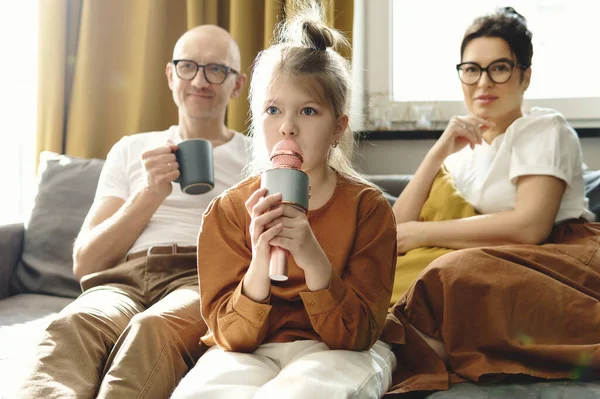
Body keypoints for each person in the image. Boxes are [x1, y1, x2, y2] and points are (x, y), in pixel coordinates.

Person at [170, 4, 398, 399]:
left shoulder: (368, 209)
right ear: (258, 121)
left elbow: (357, 334)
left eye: (308, 111)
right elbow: (230, 336)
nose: (288, 126)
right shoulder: (227, 211)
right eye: (273, 110)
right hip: (254, 348)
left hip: (336, 350)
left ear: (337, 128)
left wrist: (312, 257)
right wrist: (260, 261)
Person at [16, 25, 248, 399]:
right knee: (76, 322)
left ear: (237, 84)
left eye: (216, 69)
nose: (200, 80)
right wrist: (149, 193)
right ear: (171, 75)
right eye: (188, 66)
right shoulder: (132, 149)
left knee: (152, 328)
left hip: (200, 277)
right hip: (123, 279)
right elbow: (86, 262)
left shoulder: (255, 157)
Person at [383, 7, 600, 394]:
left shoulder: (542, 127)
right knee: (433, 278)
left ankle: (438, 349)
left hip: (561, 254)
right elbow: (395, 232)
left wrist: (422, 233)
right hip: (500, 260)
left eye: (499, 67)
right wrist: (437, 153)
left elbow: (530, 226)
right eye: (471, 69)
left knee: (454, 271)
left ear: (525, 75)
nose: (483, 82)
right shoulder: (461, 156)